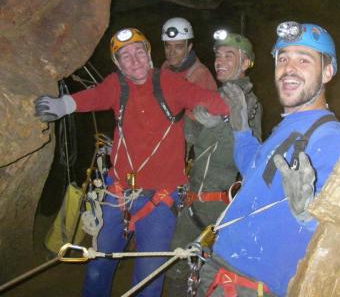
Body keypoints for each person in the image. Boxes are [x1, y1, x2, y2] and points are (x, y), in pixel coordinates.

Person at [34, 27, 229, 297]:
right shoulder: (117, 85)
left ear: (149, 55)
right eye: (125, 56)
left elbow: (208, 99)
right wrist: (64, 104)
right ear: (118, 64)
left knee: (148, 281)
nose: (134, 60)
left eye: (139, 52)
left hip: (160, 200)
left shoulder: (169, 83)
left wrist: (229, 106)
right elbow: (95, 96)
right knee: (97, 266)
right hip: (118, 193)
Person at [196, 21, 340, 297]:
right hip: (222, 268)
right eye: (283, 59)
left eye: (304, 60)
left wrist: (308, 214)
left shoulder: (331, 137)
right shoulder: (289, 126)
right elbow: (256, 172)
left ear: (327, 72)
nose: (289, 69)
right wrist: (242, 129)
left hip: (252, 283)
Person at [165, 30, 262, 295]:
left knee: (208, 276)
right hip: (193, 203)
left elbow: (252, 161)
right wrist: (193, 118)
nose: (219, 60)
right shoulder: (212, 98)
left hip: (219, 208)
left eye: (229, 55)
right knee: (176, 268)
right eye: (218, 55)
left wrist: (230, 121)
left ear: (245, 63)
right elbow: (191, 140)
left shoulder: (249, 104)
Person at [161, 17, 216, 91]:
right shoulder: (165, 66)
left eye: (178, 47)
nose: (172, 53)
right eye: (168, 46)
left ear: (189, 47)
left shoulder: (201, 76)